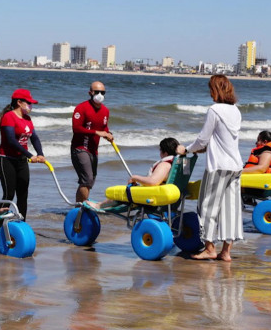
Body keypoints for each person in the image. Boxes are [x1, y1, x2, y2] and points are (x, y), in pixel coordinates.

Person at [183, 75, 243, 262]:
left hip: (217, 166)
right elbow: (223, 139)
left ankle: (210, 249)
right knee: (230, 209)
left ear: (215, 90)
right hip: (235, 166)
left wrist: (186, 149)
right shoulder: (236, 110)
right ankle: (226, 252)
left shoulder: (214, 110)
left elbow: (203, 138)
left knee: (207, 207)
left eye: (211, 88)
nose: (209, 93)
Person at [87, 137, 186, 210]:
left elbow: (153, 182)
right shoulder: (178, 164)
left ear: (165, 153)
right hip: (170, 198)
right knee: (130, 191)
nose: (160, 153)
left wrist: (135, 177)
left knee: (122, 193)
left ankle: (98, 206)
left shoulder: (165, 164)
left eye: (160, 150)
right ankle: (101, 204)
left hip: (155, 199)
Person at [0, 88, 45, 220]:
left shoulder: (27, 118)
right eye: (28, 103)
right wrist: (30, 155)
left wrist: (40, 154)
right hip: (6, 160)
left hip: (21, 161)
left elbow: (34, 137)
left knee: (23, 194)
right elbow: (11, 140)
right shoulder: (8, 117)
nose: (31, 106)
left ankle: (21, 223)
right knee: (9, 194)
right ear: (19, 102)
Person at [71, 81, 114, 203]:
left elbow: (104, 128)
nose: (100, 94)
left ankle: (81, 205)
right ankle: (80, 209)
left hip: (93, 150)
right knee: (87, 179)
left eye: (103, 92)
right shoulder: (81, 108)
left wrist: (108, 134)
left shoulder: (105, 111)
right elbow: (76, 128)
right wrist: (96, 132)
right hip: (80, 148)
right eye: (97, 92)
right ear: (90, 93)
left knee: (91, 180)